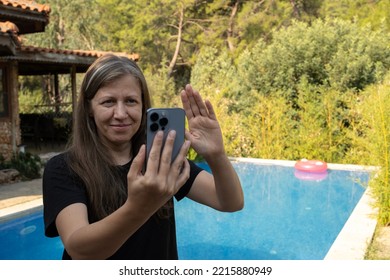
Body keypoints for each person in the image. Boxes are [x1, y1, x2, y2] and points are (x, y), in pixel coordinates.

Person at [42, 53, 244, 260]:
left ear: (143, 107)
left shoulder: (161, 160)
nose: (120, 113)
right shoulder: (64, 168)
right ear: (89, 109)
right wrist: (139, 206)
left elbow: (230, 202)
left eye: (131, 101)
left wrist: (216, 155)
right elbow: (79, 250)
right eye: (108, 102)